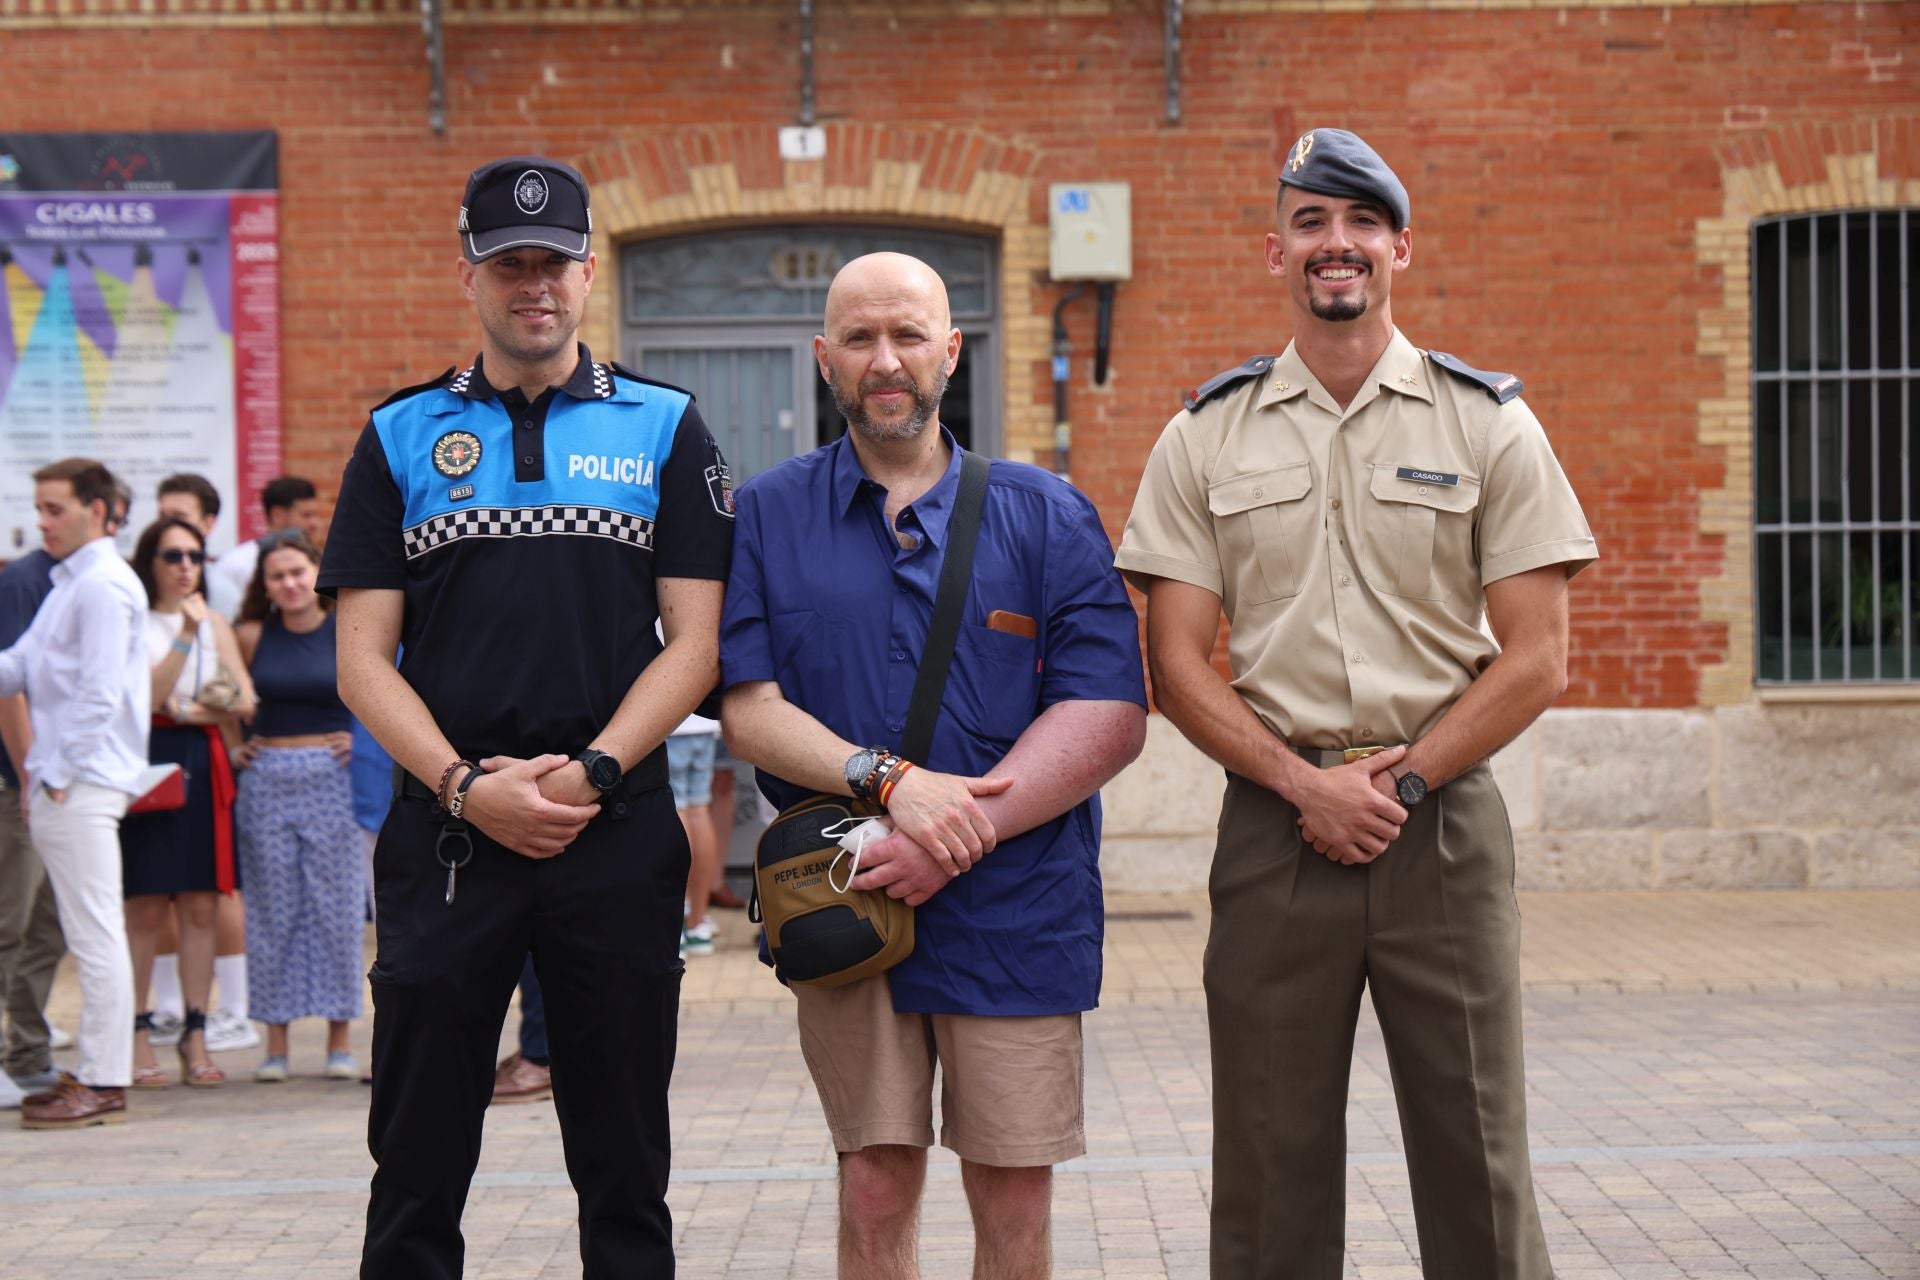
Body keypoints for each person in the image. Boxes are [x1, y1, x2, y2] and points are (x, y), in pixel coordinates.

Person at [1114, 128, 1598, 1279]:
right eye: (1312, 221)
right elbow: (1175, 663)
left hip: (1442, 828)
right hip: (1276, 831)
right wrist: (1303, 785)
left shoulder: (1488, 422)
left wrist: (1404, 779)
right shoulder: (1203, 434)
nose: (1338, 244)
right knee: (1270, 1166)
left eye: (1361, 222)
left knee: (1477, 1149)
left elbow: (1538, 656)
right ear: (1273, 249)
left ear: (1401, 246)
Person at [319, 154, 733, 1279]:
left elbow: (696, 644)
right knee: (414, 1160)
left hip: (615, 831)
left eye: (553, 262)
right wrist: (467, 785)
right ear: (471, 277)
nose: (532, 284)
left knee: (624, 1165)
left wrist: (591, 774)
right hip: (450, 836)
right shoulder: (400, 434)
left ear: (589, 272)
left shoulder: (667, 426)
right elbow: (363, 660)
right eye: (509, 263)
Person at [720, 251, 1148, 1279]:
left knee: (1012, 1187)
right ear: (825, 359)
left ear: (950, 350)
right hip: (849, 893)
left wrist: (961, 836)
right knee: (873, 1182)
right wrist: (891, 785)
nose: (885, 360)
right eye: (860, 339)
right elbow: (750, 707)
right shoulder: (769, 513)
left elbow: (1109, 711)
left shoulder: (1047, 514)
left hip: (1018, 903)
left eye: (907, 334)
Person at [0, 459, 150, 1129]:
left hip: (80, 781)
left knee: (93, 933)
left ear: (98, 509)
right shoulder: (72, 583)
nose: (42, 520)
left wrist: (52, 772)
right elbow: (20, 666)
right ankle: (95, 1073)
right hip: (71, 780)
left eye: (54, 507)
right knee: (91, 930)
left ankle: (103, 1078)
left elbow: (100, 694)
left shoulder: (103, 587)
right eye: (40, 507)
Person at [121, 516, 256, 1089]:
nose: (185, 567)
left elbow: (244, 699)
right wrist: (182, 638)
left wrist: (190, 711)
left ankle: (196, 1032)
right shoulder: (134, 620)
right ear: (150, 561)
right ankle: (134, 1032)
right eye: (173, 556)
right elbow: (144, 697)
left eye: (194, 556)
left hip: (202, 758)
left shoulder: (215, 621)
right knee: (146, 905)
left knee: (202, 903)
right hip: (145, 760)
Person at [232, 531, 364, 1082]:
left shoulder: (347, 630)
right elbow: (228, 698)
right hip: (265, 780)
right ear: (263, 585)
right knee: (271, 910)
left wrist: (362, 738)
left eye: (296, 572)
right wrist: (232, 744)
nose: (288, 584)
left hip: (331, 779)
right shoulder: (250, 635)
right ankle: (276, 1044)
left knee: (337, 909)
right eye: (276, 576)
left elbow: (382, 688)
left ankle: (339, 1040)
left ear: (317, 572)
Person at [206, 475, 324, 616]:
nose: (314, 524)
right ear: (277, 515)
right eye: (306, 515)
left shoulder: (317, 558)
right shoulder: (234, 564)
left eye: (298, 573)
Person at [669, 707, 722, 956]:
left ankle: (674, 930)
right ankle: (698, 923)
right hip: (703, 721)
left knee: (676, 811)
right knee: (699, 811)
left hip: (665, 723)